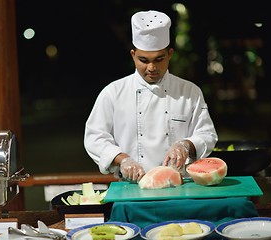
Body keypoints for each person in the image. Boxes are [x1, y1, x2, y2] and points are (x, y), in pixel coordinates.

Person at [84, 10, 218, 183]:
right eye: (144, 60)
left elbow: (207, 134)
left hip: (179, 186)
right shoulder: (113, 93)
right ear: (133, 55)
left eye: (159, 59)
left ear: (170, 54)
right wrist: (122, 159)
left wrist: (186, 145)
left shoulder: (190, 92)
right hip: (130, 187)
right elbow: (95, 137)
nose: (152, 67)